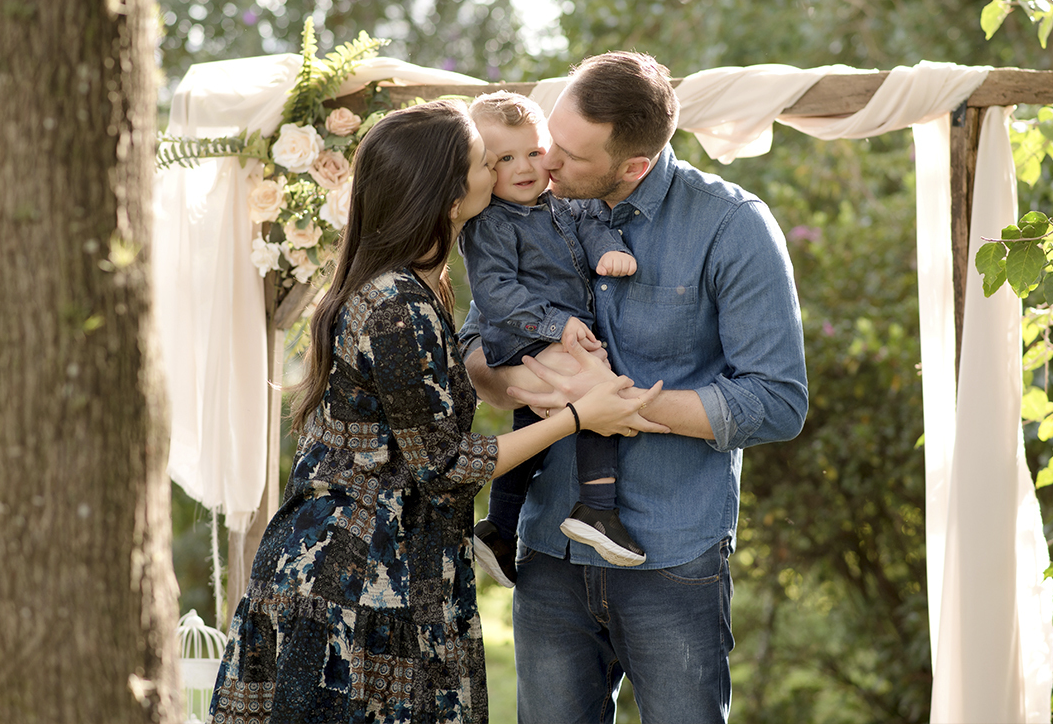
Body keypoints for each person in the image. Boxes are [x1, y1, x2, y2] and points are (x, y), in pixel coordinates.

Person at [208, 99, 666, 724]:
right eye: (487, 160)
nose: (512, 169)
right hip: (359, 584)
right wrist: (580, 416)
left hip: (391, 566)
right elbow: (446, 467)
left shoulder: (419, 283)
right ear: (452, 197)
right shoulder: (397, 305)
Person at [461, 53, 808, 723]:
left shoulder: (732, 227)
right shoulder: (529, 208)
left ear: (634, 167)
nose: (545, 164)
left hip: (673, 556)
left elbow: (778, 400)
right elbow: (476, 346)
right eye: (545, 141)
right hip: (548, 554)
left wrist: (636, 412)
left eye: (566, 153)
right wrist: (518, 384)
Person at [459, 91, 646, 588]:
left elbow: (592, 228)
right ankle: (597, 506)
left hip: (554, 334)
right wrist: (553, 325)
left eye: (533, 152)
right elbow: (495, 293)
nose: (523, 167)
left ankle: (499, 525)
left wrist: (610, 250)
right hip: (525, 333)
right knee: (595, 389)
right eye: (504, 159)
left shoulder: (561, 203)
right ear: (481, 167)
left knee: (535, 418)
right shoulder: (489, 224)